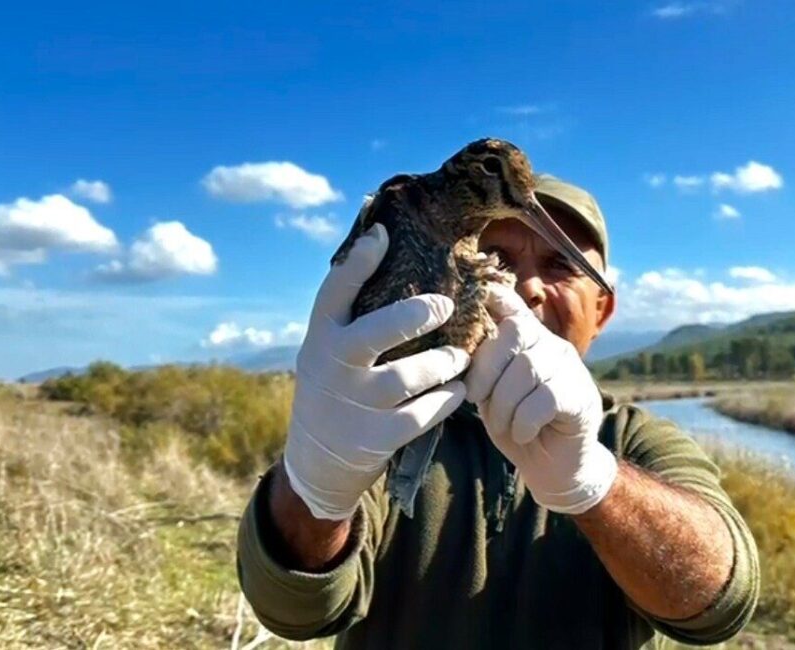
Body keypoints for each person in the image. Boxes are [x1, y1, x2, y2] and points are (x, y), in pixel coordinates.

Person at [236, 174, 760, 649]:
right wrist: (314, 489)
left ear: (603, 310)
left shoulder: (633, 438)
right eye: (500, 261)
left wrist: (594, 480)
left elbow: (720, 603)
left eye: (560, 264)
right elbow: (294, 612)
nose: (527, 288)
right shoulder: (389, 418)